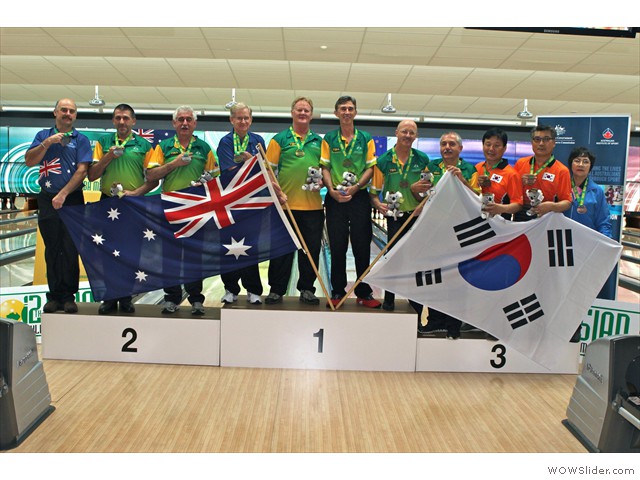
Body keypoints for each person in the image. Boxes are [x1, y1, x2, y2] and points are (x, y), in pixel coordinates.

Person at [146, 106, 220, 315]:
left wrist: (206, 181)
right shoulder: (164, 147)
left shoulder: (204, 148)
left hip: (196, 208)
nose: (185, 123)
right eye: (181, 119)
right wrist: (174, 164)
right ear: (174, 124)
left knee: (194, 256)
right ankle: (171, 297)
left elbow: (215, 178)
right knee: (169, 255)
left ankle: (196, 298)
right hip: (170, 206)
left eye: (189, 119)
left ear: (194, 124)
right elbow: (151, 175)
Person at [24, 98, 92, 314]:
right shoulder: (43, 136)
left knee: (70, 249)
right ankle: (54, 296)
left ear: (75, 116)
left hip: (71, 198)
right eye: (64, 109)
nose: (67, 113)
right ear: (55, 112)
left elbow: (82, 171)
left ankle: (69, 296)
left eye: (72, 111)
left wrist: (63, 194)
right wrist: (47, 143)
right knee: (53, 248)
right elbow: (29, 161)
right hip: (47, 197)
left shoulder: (81, 139)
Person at [88, 103, 158, 315]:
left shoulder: (145, 146)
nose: (121, 122)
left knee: (131, 252)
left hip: (133, 203)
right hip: (107, 201)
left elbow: (153, 180)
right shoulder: (103, 142)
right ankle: (109, 297)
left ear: (133, 121)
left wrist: (137, 193)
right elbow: (92, 175)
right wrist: (109, 156)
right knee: (107, 251)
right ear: (113, 120)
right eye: (118, 118)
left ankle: (126, 297)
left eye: (126, 118)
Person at [418, 131, 481, 339]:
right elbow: (423, 192)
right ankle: (435, 320)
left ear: (460, 148)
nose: (447, 147)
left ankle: (454, 323)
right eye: (444, 143)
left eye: (452, 144)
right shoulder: (432, 167)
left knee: (455, 278)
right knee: (436, 277)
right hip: (434, 228)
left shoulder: (470, 170)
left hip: (458, 230)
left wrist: (462, 179)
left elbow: (476, 198)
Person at [320, 95, 381, 308]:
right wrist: (331, 190)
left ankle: (364, 292)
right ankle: (337, 290)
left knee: (361, 246)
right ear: (336, 113)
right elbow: (325, 167)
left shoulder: (366, 138)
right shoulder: (329, 138)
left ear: (355, 112)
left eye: (350, 108)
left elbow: (370, 167)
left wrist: (355, 189)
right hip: (335, 197)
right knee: (337, 246)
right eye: (343, 109)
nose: (347, 112)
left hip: (359, 198)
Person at [264, 97, 325, 305]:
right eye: (299, 109)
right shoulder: (279, 139)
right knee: (281, 251)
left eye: (306, 110)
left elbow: (326, 171)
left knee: (310, 252)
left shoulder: (319, 141)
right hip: (284, 206)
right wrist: (276, 190)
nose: (303, 113)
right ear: (292, 112)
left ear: (311, 114)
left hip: (313, 207)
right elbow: (268, 170)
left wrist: (323, 183)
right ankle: (276, 290)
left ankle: (307, 288)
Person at [370, 119, 431, 311]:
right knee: (393, 257)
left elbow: (428, 188)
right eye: (404, 131)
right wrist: (377, 203)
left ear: (416, 136)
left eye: (411, 132)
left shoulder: (422, 159)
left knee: (416, 261)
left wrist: (422, 204)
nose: (407, 135)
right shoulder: (384, 160)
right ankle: (389, 298)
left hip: (417, 216)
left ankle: (417, 304)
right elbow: (374, 192)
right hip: (394, 216)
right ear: (396, 133)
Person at [216, 103, 265, 305]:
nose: (243, 121)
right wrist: (252, 162)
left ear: (250, 120)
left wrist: (251, 161)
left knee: (251, 247)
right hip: (230, 203)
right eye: (239, 118)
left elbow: (264, 170)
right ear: (232, 120)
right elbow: (230, 171)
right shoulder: (225, 142)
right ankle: (230, 289)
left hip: (252, 202)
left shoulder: (258, 140)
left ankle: (253, 290)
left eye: (246, 118)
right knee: (228, 248)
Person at [564, 146, 615, 302]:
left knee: (580, 287)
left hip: (585, 246)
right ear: (571, 164)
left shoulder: (597, 191)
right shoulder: (561, 185)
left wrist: (606, 244)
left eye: (585, 161)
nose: (581, 164)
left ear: (590, 167)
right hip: (563, 244)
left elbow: (603, 221)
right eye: (577, 160)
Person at [513, 125, 571, 221]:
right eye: (537, 139)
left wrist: (551, 206)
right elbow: (511, 193)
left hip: (547, 217)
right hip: (521, 215)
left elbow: (567, 202)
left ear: (554, 143)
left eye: (546, 139)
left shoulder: (562, 170)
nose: (541, 143)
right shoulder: (521, 163)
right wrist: (520, 183)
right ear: (532, 142)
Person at [475, 127, 523, 220]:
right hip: (477, 220)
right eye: (488, 144)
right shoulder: (477, 167)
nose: (491, 149)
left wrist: (501, 208)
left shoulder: (511, 174)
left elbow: (518, 205)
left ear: (504, 148)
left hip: (500, 226)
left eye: (496, 146)